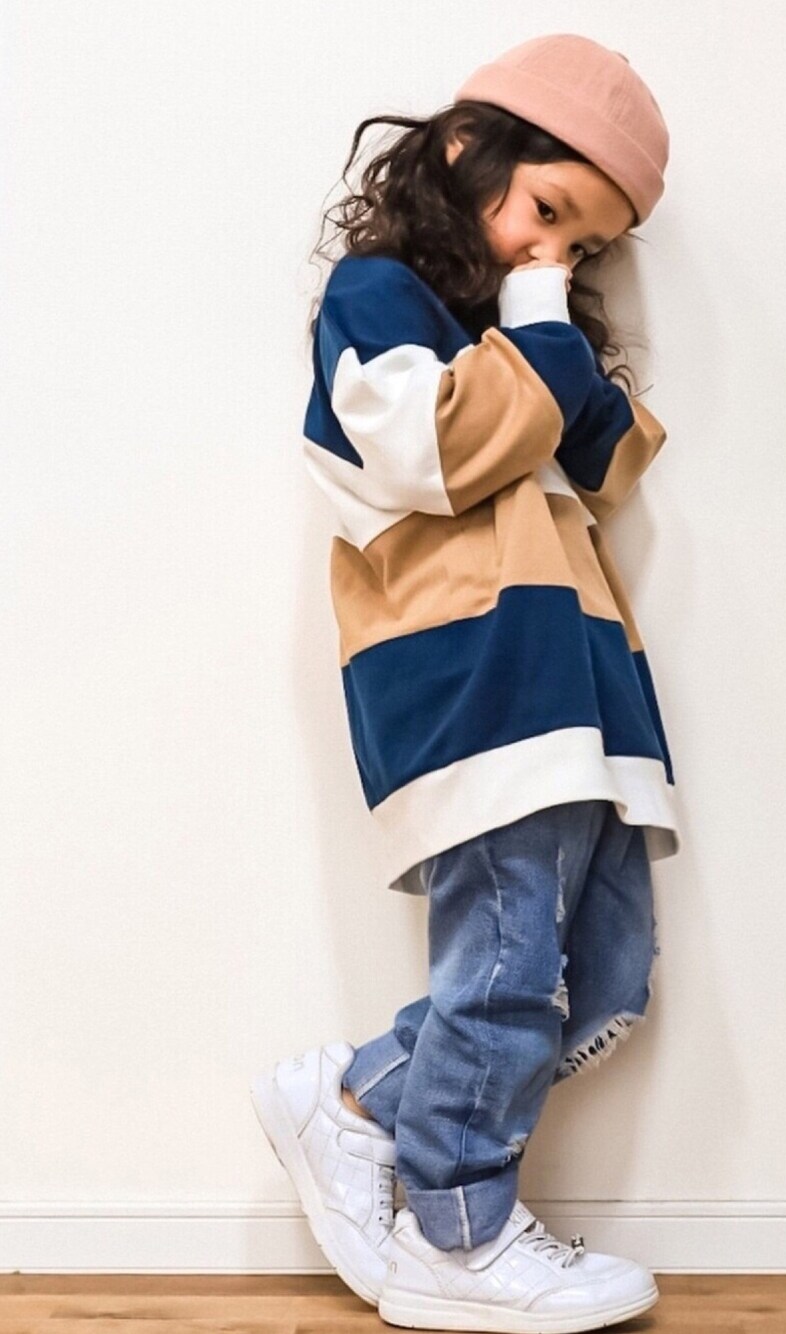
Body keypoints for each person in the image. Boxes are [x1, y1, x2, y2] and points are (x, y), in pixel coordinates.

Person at [250, 32, 681, 1332]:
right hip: (476, 683)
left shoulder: (520, 341)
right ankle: (458, 1229)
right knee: (507, 967)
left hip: (576, 688)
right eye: (546, 211)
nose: (554, 256)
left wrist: (543, 323)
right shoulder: (380, 298)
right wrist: (539, 324)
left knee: (602, 972)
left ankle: (357, 1100)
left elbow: (612, 462)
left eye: (584, 246)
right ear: (461, 150)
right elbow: (429, 456)